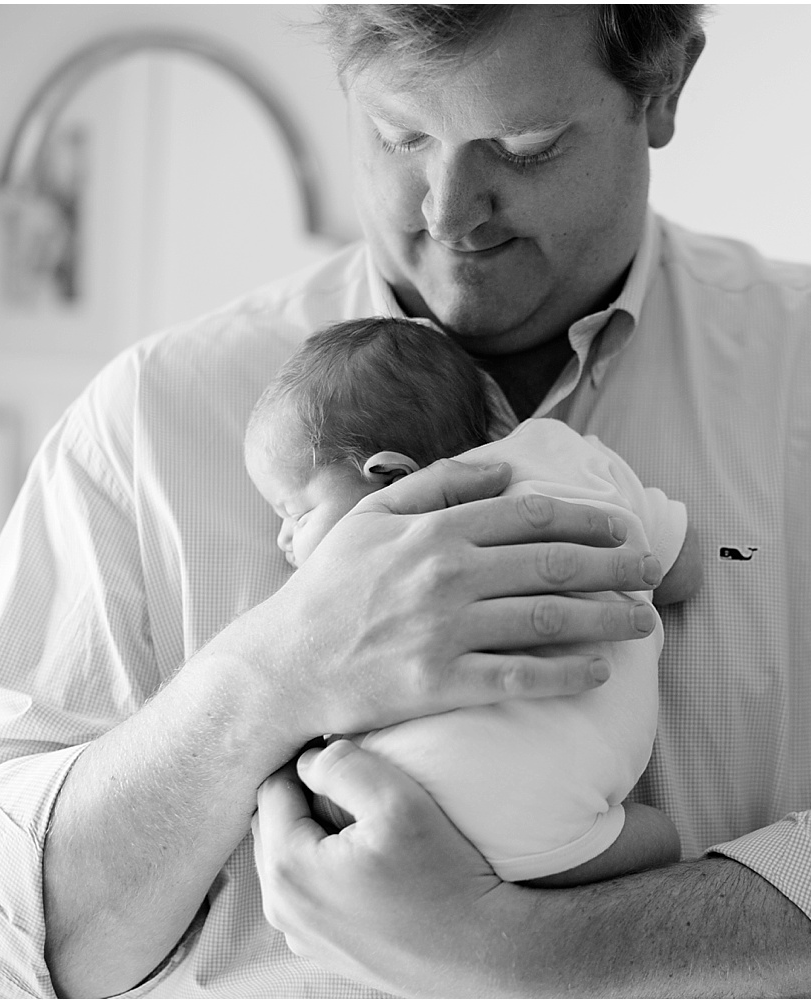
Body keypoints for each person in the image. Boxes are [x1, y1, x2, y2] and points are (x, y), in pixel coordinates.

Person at [0, 5, 811, 998]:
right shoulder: (152, 421)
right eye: (401, 136)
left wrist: (520, 953)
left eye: (526, 148)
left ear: (665, 86)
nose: (451, 213)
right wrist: (276, 671)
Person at [243, 316, 695, 886]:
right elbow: (683, 572)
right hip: (553, 823)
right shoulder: (563, 452)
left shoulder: (354, 581)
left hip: (406, 811)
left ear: (388, 477)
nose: (282, 541)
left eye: (296, 514)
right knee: (665, 840)